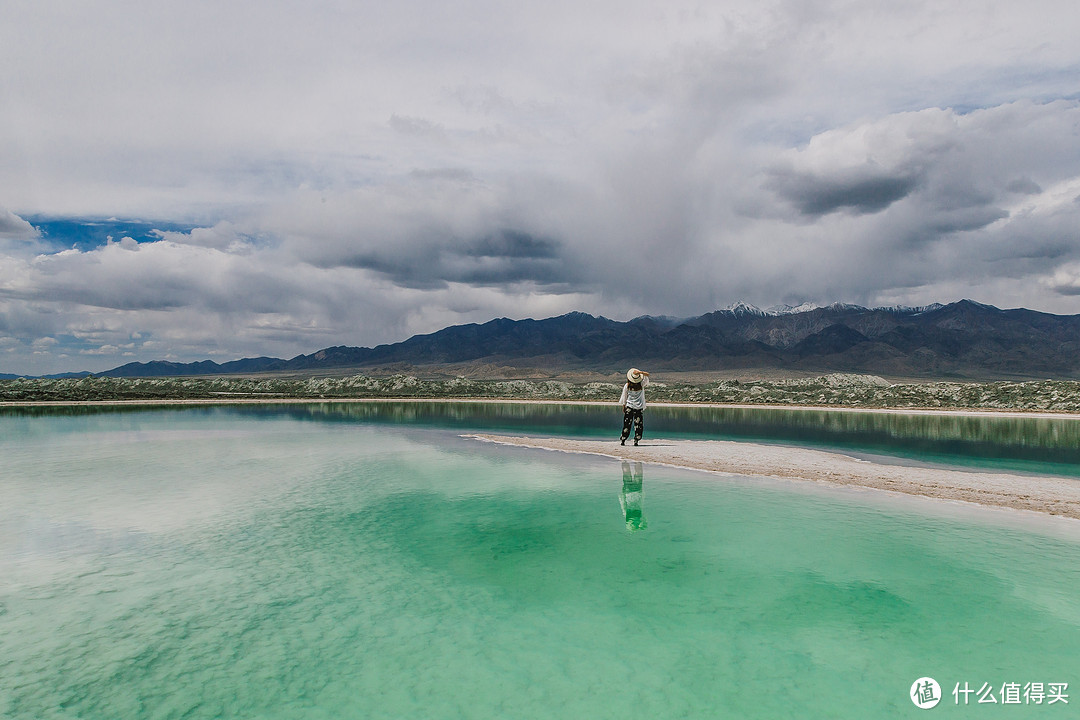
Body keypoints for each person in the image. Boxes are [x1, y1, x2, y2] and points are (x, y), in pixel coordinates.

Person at [618, 367, 649, 445]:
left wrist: (623, 406)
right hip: (638, 408)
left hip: (629, 407)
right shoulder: (641, 385)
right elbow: (647, 377)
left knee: (627, 424)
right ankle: (636, 440)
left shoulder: (627, 385)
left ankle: (623, 439)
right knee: (638, 424)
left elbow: (624, 396)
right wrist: (640, 372)